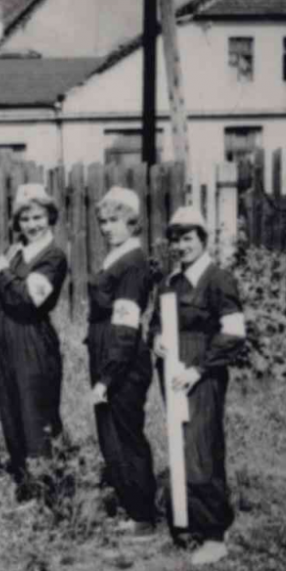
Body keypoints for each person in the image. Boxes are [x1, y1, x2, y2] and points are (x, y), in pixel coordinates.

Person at [149, 206, 247, 566]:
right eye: (175, 239)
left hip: (203, 375)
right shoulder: (169, 282)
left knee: (201, 447)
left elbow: (233, 333)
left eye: (188, 238)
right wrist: (156, 338)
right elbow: (155, 322)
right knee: (180, 445)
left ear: (203, 239)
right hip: (172, 372)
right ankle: (186, 523)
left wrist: (199, 370)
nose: (181, 246)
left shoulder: (218, 279)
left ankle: (214, 534)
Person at [87, 186, 158, 535]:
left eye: (115, 220)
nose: (107, 228)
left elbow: (127, 328)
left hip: (123, 360)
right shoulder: (117, 257)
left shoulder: (132, 263)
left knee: (126, 436)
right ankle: (130, 506)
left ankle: (143, 515)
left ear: (132, 222)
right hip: (107, 352)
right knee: (111, 436)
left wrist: (107, 377)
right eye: (103, 221)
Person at [0, 183, 68, 501]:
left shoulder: (53, 256)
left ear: (49, 217)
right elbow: (1, 298)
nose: (32, 225)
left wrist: (3, 273)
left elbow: (27, 300)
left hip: (33, 338)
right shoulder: (15, 252)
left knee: (36, 414)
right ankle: (25, 490)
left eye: (38, 217)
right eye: (25, 219)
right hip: (6, 338)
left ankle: (47, 496)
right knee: (12, 415)